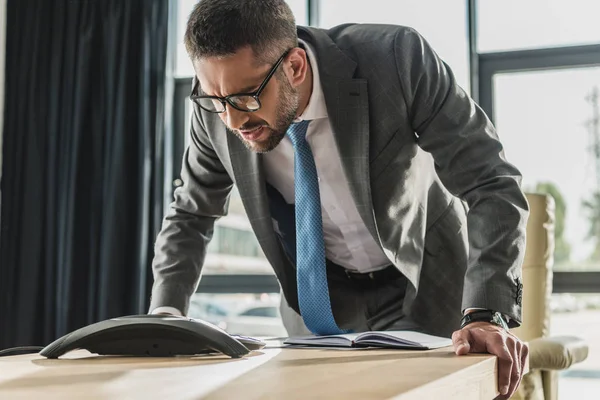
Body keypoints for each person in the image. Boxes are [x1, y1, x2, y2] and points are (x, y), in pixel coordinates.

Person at [149, 0, 529, 397]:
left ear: (294, 66)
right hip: (319, 305)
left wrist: (486, 313)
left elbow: (491, 182)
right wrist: (166, 318)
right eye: (216, 100)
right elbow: (191, 213)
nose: (232, 121)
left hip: (426, 281)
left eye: (246, 97)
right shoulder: (217, 107)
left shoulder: (396, 58)